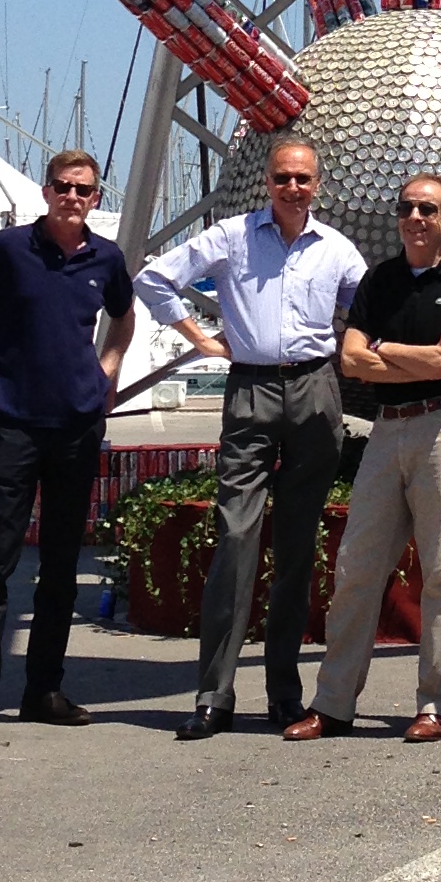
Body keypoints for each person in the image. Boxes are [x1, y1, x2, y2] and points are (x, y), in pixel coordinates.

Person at [136, 136, 365, 739]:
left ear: (319, 185)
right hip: (251, 390)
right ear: (268, 181)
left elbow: (368, 307)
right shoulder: (232, 237)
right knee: (236, 537)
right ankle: (214, 694)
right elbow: (155, 279)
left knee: (296, 547)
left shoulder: (338, 250)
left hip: (315, 392)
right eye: (283, 177)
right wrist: (200, 337)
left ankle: (284, 694)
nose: (293, 188)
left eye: (303, 179)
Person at [0, 149, 135, 736]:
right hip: (14, 425)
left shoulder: (107, 258)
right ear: (46, 192)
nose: (72, 198)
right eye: (62, 187)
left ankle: (44, 689)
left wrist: (109, 369)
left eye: (84, 190)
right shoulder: (8, 249)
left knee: (61, 565)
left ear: (97, 198)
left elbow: (123, 317)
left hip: (76, 425)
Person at [287, 170, 441, 745]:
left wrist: (386, 349)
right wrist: (412, 355)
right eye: (407, 209)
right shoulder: (379, 281)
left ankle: (434, 705)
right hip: (386, 430)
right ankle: (333, 703)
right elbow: (349, 360)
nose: (415, 218)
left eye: (428, 210)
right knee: (355, 569)